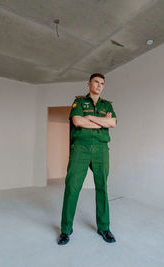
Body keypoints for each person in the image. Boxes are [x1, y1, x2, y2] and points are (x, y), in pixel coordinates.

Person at [58, 73, 117, 245]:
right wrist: (100, 123)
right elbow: (77, 121)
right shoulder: (79, 102)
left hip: (101, 149)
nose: (99, 85)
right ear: (89, 84)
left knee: (102, 188)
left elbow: (112, 123)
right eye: (96, 82)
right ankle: (66, 230)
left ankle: (104, 228)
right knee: (72, 187)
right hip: (81, 148)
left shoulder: (107, 105)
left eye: (102, 83)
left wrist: (89, 118)